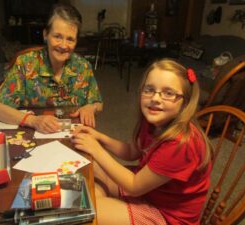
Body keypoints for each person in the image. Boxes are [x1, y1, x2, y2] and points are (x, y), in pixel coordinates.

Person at [71, 59, 212, 225]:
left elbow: (134, 186)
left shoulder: (181, 144)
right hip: (150, 191)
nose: (155, 98)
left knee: (83, 210)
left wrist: (97, 150)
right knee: (90, 173)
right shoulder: (154, 121)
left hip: (167, 216)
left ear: (185, 102)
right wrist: (100, 137)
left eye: (168, 93)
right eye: (149, 90)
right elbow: (132, 152)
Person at [0, 4, 103, 133]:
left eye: (70, 39)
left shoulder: (83, 66)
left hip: (72, 134)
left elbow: (98, 102)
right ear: (45, 35)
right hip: (32, 134)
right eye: (58, 37)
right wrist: (33, 121)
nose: (63, 45)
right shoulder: (25, 63)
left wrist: (91, 107)